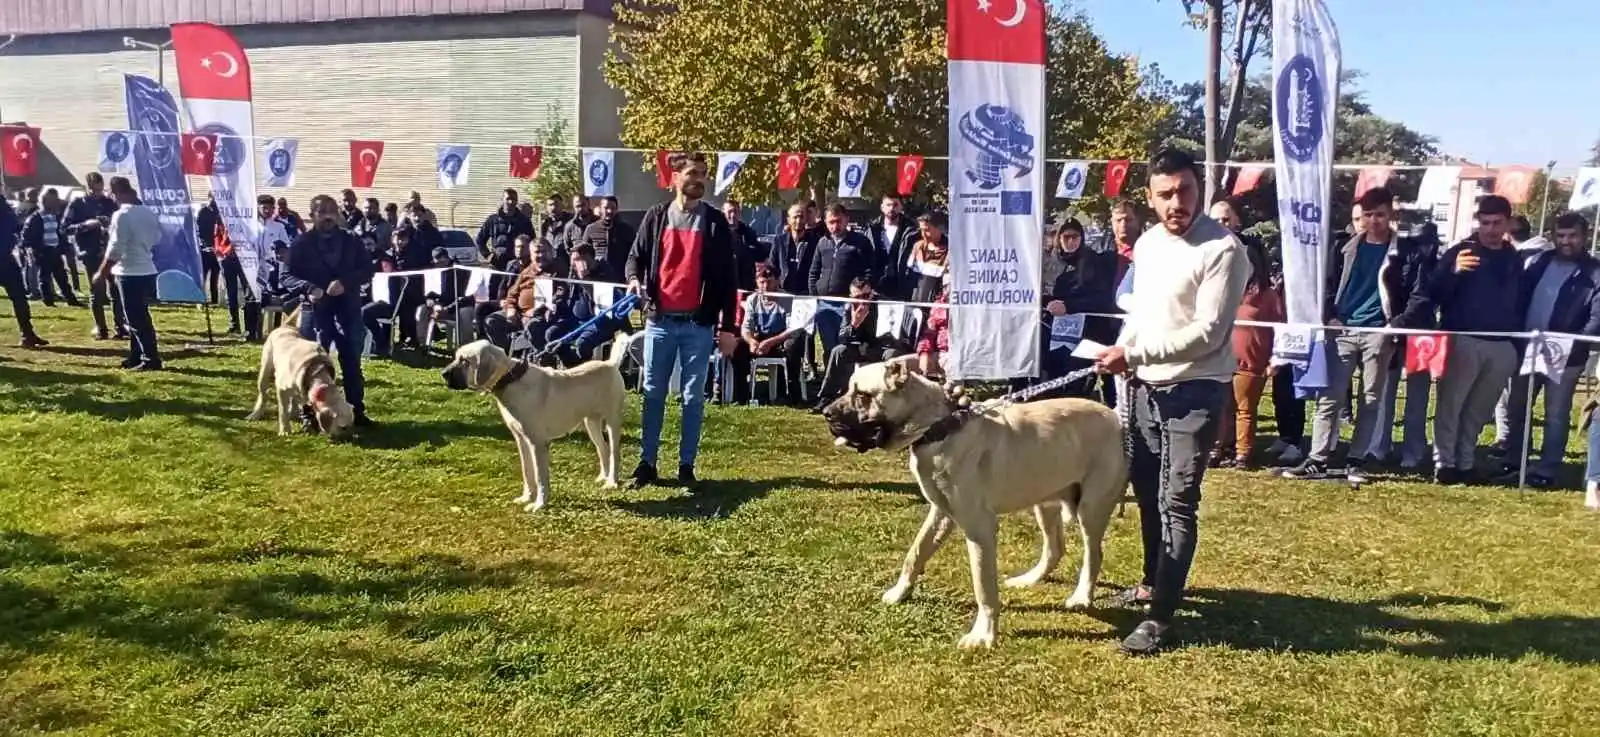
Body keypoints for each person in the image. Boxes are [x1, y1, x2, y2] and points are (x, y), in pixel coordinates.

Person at [1092, 148, 1249, 656]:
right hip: (1142, 388)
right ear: (1150, 197)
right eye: (1165, 194)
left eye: (1184, 190)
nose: (1176, 202)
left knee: (1177, 502)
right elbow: (1141, 311)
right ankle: (1149, 583)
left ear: (1198, 188)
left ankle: (1159, 618)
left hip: (1195, 392)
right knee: (1146, 494)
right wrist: (1122, 353)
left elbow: (1208, 332)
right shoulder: (1148, 244)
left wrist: (1134, 352)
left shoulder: (1223, 250)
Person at [1283, 186, 1417, 483]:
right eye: (1368, 215)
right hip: (1342, 329)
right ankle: (1318, 458)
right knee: (1329, 398)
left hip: (1378, 332)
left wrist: (1395, 324)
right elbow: (1327, 283)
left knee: (1370, 398)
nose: (1373, 221)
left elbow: (1411, 292)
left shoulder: (1403, 253)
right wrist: (1329, 314)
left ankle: (1357, 459)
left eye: (1380, 215)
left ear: (1390, 215)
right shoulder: (1343, 247)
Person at [624, 151, 740, 490]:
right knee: (653, 392)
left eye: (703, 173)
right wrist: (634, 278)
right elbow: (636, 257)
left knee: (692, 397)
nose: (699, 179)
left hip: (698, 325)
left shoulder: (715, 221)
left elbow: (728, 281)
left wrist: (729, 327)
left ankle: (686, 465)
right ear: (675, 178)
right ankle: (647, 463)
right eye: (692, 173)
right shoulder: (657, 216)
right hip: (660, 322)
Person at [1406, 195, 1522, 485]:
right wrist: (1453, 273)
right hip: (1463, 339)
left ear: (1508, 223)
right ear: (1478, 222)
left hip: (1502, 344)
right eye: (1485, 223)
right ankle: (1444, 464)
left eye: (1497, 223)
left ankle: (1466, 461)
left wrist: (1516, 346)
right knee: (1451, 405)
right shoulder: (1460, 252)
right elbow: (1433, 294)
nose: (1491, 229)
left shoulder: (1514, 257)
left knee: (1479, 410)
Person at [1497, 212, 1600, 487]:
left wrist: (1572, 343)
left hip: (1566, 356)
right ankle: (1515, 461)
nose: (1566, 241)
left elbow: (1596, 320)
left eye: (1572, 236)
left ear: (1585, 236)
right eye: (1561, 235)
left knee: (1556, 414)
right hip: (1527, 349)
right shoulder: (1540, 261)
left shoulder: (1596, 272)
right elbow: (1520, 296)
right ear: (1553, 236)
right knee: (1517, 407)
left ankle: (1547, 470)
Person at [287, 194, 376, 427]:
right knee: (311, 366)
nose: (327, 215)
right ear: (311, 216)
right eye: (321, 211)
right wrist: (309, 288)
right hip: (315, 309)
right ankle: (309, 414)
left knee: (352, 361)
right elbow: (286, 275)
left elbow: (367, 268)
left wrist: (345, 282)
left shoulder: (351, 241)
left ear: (337, 215)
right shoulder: (301, 244)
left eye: (331, 211)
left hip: (348, 309)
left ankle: (356, 411)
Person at [1209, 205, 1282, 469]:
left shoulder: (1267, 295)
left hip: (1252, 362)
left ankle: (1243, 452)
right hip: (1224, 359)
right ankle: (1217, 449)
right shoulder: (1225, 290)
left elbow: (1279, 327)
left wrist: (1275, 358)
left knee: (1245, 410)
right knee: (1223, 409)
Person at [94, 177, 165, 370]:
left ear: (117, 193)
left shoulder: (121, 215)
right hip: (147, 269)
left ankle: (151, 358)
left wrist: (102, 272)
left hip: (129, 271)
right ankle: (136, 355)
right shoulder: (148, 213)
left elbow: (116, 248)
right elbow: (157, 237)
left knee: (136, 319)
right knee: (138, 316)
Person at [812, 278, 904, 409]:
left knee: (892, 354)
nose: (862, 301)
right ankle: (827, 396)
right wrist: (854, 324)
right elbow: (842, 337)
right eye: (858, 297)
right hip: (857, 346)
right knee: (838, 351)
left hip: (879, 346)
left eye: (866, 296)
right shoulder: (849, 307)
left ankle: (892, 400)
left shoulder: (884, 304)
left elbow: (894, 335)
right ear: (851, 296)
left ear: (872, 293)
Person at [731, 263, 807, 404]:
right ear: (757, 283)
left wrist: (771, 342)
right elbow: (746, 327)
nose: (765, 286)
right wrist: (751, 341)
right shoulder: (752, 300)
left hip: (781, 340)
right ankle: (741, 394)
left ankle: (791, 392)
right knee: (738, 348)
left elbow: (792, 328)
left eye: (769, 281)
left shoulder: (788, 300)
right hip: (761, 338)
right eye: (762, 282)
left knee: (793, 345)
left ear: (777, 281)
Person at [809, 203, 878, 357]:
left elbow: (870, 271)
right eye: (831, 222)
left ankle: (844, 380)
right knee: (828, 348)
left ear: (846, 220)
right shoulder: (822, 243)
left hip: (848, 304)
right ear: (825, 223)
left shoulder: (861, 242)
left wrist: (860, 298)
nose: (835, 226)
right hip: (824, 305)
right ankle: (829, 379)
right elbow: (813, 272)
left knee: (844, 346)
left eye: (838, 221)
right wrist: (815, 296)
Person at [65, 172, 124, 340]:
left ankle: (120, 326)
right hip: (89, 252)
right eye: (94, 188)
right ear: (88, 187)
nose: (97, 192)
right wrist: (85, 225)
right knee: (97, 291)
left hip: (110, 250)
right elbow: (66, 227)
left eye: (100, 188)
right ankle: (101, 327)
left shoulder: (109, 203)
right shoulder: (78, 204)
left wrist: (109, 223)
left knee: (116, 290)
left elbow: (120, 223)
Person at [22, 188, 81, 307]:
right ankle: (48, 300)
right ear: (43, 201)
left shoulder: (56, 216)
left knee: (62, 277)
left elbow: (61, 233)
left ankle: (71, 299)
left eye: (54, 200)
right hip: (43, 251)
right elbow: (27, 234)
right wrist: (32, 249)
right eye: (50, 200)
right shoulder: (36, 217)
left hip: (55, 250)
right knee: (45, 277)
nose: (53, 202)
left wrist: (65, 247)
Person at [0, 196, 46, 348]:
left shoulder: (3, 203)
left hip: (6, 258)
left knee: (20, 297)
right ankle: (27, 334)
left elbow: (14, 225)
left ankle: (27, 334)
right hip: (5, 256)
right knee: (19, 297)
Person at [869, 193, 919, 300]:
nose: (892, 208)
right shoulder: (872, 229)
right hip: (876, 287)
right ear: (882, 207)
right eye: (888, 205)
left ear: (901, 207)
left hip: (902, 287)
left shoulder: (912, 231)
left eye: (895, 205)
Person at [767, 202, 818, 297]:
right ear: (788, 220)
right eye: (795, 217)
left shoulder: (815, 242)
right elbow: (773, 266)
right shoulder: (779, 240)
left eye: (801, 217)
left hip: (806, 294)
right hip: (783, 292)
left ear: (806, 219)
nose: (798, 220)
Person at [582, 196, 634, 284]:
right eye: (606, 208)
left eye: (613, 208)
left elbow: (633, 254)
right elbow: (584, 251)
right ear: (600, 209)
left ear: (617, 209)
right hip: (597, 279)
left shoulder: (627, 229)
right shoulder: (591, 229)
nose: (609, 211)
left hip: (620, 279)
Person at [477, 188, 535, 258]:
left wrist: (527, 257)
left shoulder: (524, 221)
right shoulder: (492, 220)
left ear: (516, 201)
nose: (511, 202)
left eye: (513, 199)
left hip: (518, 262)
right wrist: (487, 255)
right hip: (497, 262)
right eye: (508, 199)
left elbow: (532, 242)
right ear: (502, 200)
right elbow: (480, 240)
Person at [723, 199, 765, 292]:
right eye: (730, 211)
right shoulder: (717, 232)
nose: (733, 215)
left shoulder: (748, 233)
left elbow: (760, 255)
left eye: (736, 212)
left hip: (745, 285)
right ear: (723, 213)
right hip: (723, 284)